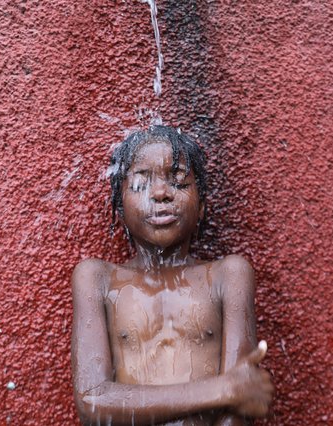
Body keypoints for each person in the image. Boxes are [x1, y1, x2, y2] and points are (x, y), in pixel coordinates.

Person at [71, 125, 274, 425]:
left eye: (178, 182)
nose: (161, 192)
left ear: (202, 205)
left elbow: (240, 405)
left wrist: (234, 391)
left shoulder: (227, 275)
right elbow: (92, 402)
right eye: (141, 183)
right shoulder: (97, 278)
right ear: (120, 208)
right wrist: (224, 389)